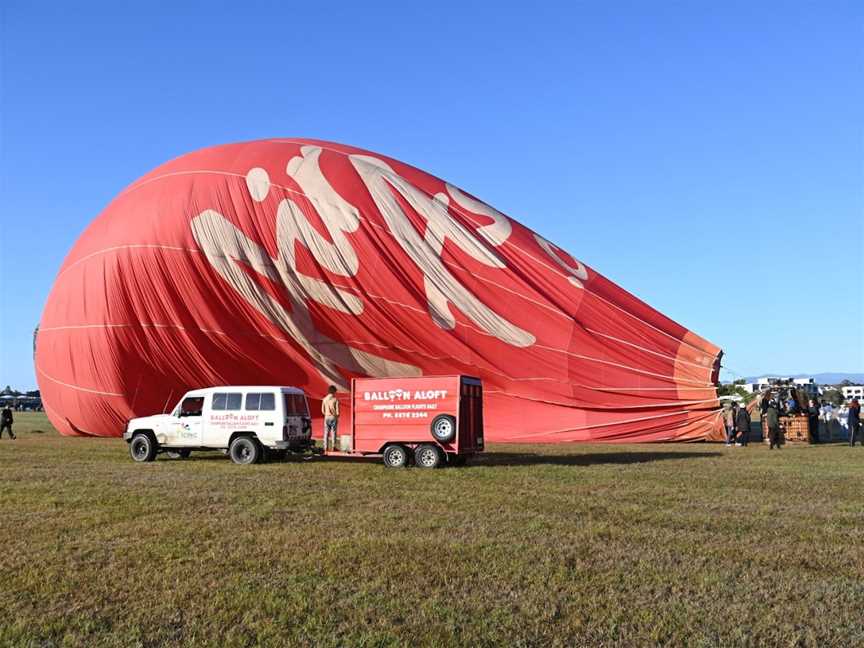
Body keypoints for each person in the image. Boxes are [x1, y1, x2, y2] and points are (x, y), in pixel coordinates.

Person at [321, 385, 340, 451]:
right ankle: (333, 446)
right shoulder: (335, 399)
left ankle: (325, 447)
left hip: (326, 417)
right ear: (334, 391)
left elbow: (322, 410)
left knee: (326, 432)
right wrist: (337, 416)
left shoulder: (324, 399)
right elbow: (338, 411)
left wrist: (326, 414)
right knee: (333, 432)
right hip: (333, 417)